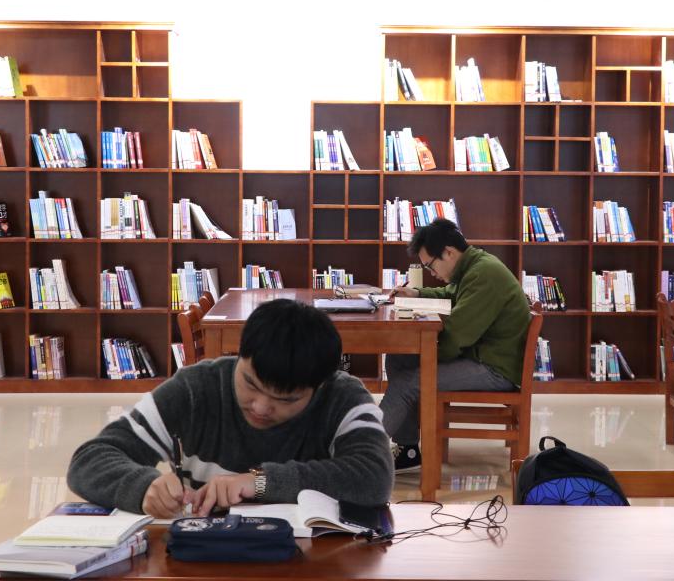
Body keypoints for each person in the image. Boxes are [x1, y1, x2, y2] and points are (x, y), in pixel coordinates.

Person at [67, 298, 393, 517]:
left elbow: (374, 478)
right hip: (202, 555)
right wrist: (143, 487)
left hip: (313, 563)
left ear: (319, 386)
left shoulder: (342, 397)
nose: (261, 407)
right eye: (250, 384)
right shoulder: (194, 390)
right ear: (239, 355)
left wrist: (259, 482)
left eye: (286, 400)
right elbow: (90, 460)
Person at [382, 218, 530, 471]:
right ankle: (407, 449)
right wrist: (418, 293)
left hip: (495, 369)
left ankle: (357, 456)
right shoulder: (475, 267)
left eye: (430, 266)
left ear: (449, 252)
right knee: (399, 357)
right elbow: (451, 294)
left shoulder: (484, 274)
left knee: (407, 383)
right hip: (481, 356)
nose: (432, 274)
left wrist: (425, 355)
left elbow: (456, 337)